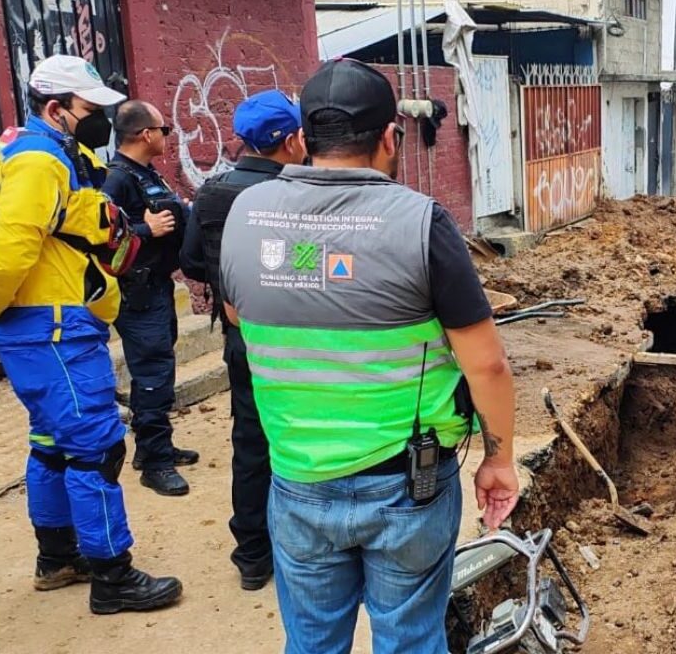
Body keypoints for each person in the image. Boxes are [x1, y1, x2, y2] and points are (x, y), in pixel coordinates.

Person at [218, 59, 519, 653]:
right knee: (409, 640)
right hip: (407, 487)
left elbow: (236, 315)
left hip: (298, 482)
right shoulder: (421, 224)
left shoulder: (243, 217)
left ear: (304, 139)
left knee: (311, 644)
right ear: (389, 136)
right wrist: (498, 460)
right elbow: (486, 365)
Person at [0, 55, 181, 613]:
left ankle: (58, 558)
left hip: (51, 325)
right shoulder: (38, 163)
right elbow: (9, 247)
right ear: (55, 109)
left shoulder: (52, 155)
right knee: (98, 448)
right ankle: (112, 576)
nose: (100, 119)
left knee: (52, 444)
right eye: (89, 109)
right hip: (53, 329)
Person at [179, 90, 305, 590]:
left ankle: (253, 554)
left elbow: (190, 263)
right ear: (292, 140)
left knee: (251, 441)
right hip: (301, 339)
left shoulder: (211, 193)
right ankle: (307, 547)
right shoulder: (301, 192)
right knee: (302, 437)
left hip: (241, 338)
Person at [103, 100, 198, 496]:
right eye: (164, 130)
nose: (166, 137)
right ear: (146, 134)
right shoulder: (116, 179)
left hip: (157, 287)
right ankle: (154, 464)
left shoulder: (142, 173)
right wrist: (146, 229)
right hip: (137, 294)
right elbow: (101, 238)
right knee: (151, 375)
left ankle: (154, 446)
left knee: (160, 368)